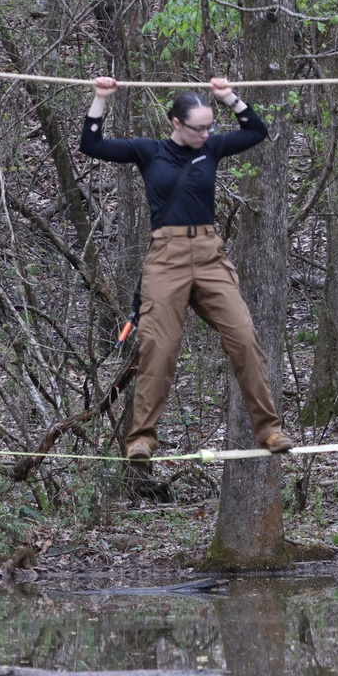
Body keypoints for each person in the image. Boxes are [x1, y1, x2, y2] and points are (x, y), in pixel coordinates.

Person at [80, 76, 295, 460]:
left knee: (244, 337)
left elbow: (256, 131)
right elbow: (91, 145)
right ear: (175, 124)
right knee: (159, 347)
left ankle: (270, 430)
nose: (205, 133)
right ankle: (141, 438)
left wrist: (229, 97)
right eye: (198, 127)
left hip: (210, 254)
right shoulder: (148, 152)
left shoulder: (211, 148)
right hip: (166, 257)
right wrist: (100, 99)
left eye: (209, 126)